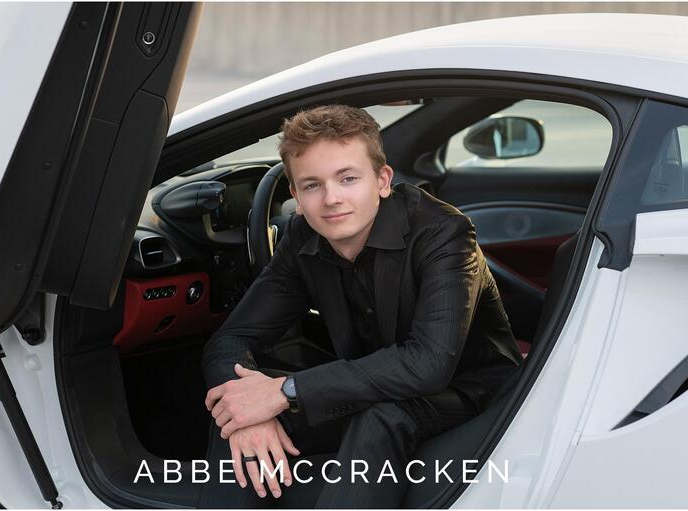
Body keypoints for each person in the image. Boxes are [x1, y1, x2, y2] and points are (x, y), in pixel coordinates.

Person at [198, 104, 522, 508]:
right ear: (296, 196)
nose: (332, 199)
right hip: (372, 385)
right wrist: (247, 412)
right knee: (233, 411)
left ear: (382, 180)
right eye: (313, 185)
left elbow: (429, 364)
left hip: (472, 392)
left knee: (381, 416)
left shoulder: (443, 232)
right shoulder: (302, 237)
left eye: (348, 178)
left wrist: (285, 390)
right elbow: (231, 339)